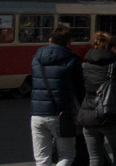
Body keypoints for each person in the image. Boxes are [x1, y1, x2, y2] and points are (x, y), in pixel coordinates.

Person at [79, 32, 116, 166]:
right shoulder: (115, 65)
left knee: (95, 158)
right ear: (111, 49)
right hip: (110, 113)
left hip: (88, 115)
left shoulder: (87, 64)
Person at [30, 23, 83, 166]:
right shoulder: (72, 61)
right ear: (69, 42)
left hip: (37, 114)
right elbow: (80, 90)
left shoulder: (36, 59)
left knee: (42, 159)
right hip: (62, 114)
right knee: (66, 155)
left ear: (50, 40)